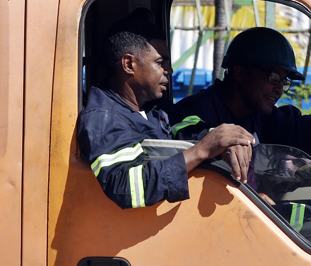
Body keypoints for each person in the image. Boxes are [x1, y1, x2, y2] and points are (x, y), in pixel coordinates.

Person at [78, 31, 254, 210]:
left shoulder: (153, 108)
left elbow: (184, 125)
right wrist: (201, 151)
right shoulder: (103, 118)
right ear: (129, 64)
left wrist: (222, 139)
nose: (169, 70)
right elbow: (125, 187)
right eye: (160, 62)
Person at [168, 27, 311, 159]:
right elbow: (187, 132)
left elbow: (302, 128)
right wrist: (221, 142)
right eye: (273, 78)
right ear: (239, 73)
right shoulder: (194, 110)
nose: (279, 89)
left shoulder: (260, 117)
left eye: (283, 81)